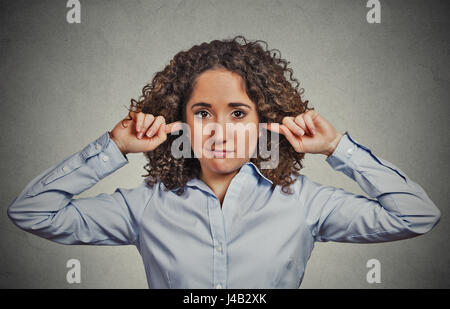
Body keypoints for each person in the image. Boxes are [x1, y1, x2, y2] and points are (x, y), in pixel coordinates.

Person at [7, 35, 441, 289]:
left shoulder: (305, 204)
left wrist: (337, 148)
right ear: (181, 123)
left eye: (237, 112)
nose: (219, 130)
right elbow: (31, 212)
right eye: (202, 113)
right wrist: (114, 147)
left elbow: (417, 215)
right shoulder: (144, 206)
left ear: (262, 121)